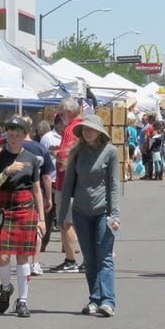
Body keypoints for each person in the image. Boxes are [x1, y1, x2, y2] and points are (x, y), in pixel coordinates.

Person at [58, 114, 120, 317]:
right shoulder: (77, 152)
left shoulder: (110, 152)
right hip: (81, 212)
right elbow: (68, 185)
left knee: (104, 257)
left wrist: (114, 214)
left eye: (91, 128)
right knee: (90, 258)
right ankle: (94, 299)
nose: (87, 131)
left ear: (99, 131)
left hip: (103, 212)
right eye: (85, 129)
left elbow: (113, 185)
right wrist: (61, 214)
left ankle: (108, 301)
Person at [0, 115, 45, 317]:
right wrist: (6, 172)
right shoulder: (0, 158)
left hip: (25, 208)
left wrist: (42, 219)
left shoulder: (31, 158)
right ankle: (5, 288)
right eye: (10, 131)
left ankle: (22, 301)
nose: (13, 135)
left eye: (17, 132)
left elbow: (37, 190)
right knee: (3, 257)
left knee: (22, 257)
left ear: (23, 134)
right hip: (4, 207)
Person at [20, 116, 55, 277]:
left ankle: (1, 263)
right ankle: (34, 263)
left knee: (9, 228)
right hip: (35, 192)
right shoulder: (40, 149)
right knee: (36, 229)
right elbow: (47, 176)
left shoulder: (10, 146)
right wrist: (48, 197)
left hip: (12, 193)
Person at [50, 98, 82, 273]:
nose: (59, 117)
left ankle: (70, 260)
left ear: (68, 113)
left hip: (66, 183)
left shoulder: (71, 130)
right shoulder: (82, 126)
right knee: (80, 222)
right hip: (79, 183)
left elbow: (64, 158)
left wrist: (56, 154)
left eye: (61, 113)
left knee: (65, 222)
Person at [39, 115, 65, 252]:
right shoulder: (48, 138)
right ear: (59, 123)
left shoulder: (68, 136)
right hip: (50, 180)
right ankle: (43, 243)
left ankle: (66, 245)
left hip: (64, 181)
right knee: (48, 215)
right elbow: (41, 160)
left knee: (64, 216)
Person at [125, 113, 137, 181]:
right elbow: (135, 139)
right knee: (131, 161)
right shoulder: (134, 129)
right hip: (133, 145)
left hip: (127, 145)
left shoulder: (127, 128)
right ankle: (132, 176)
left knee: (126, 161)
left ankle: (125, 175)